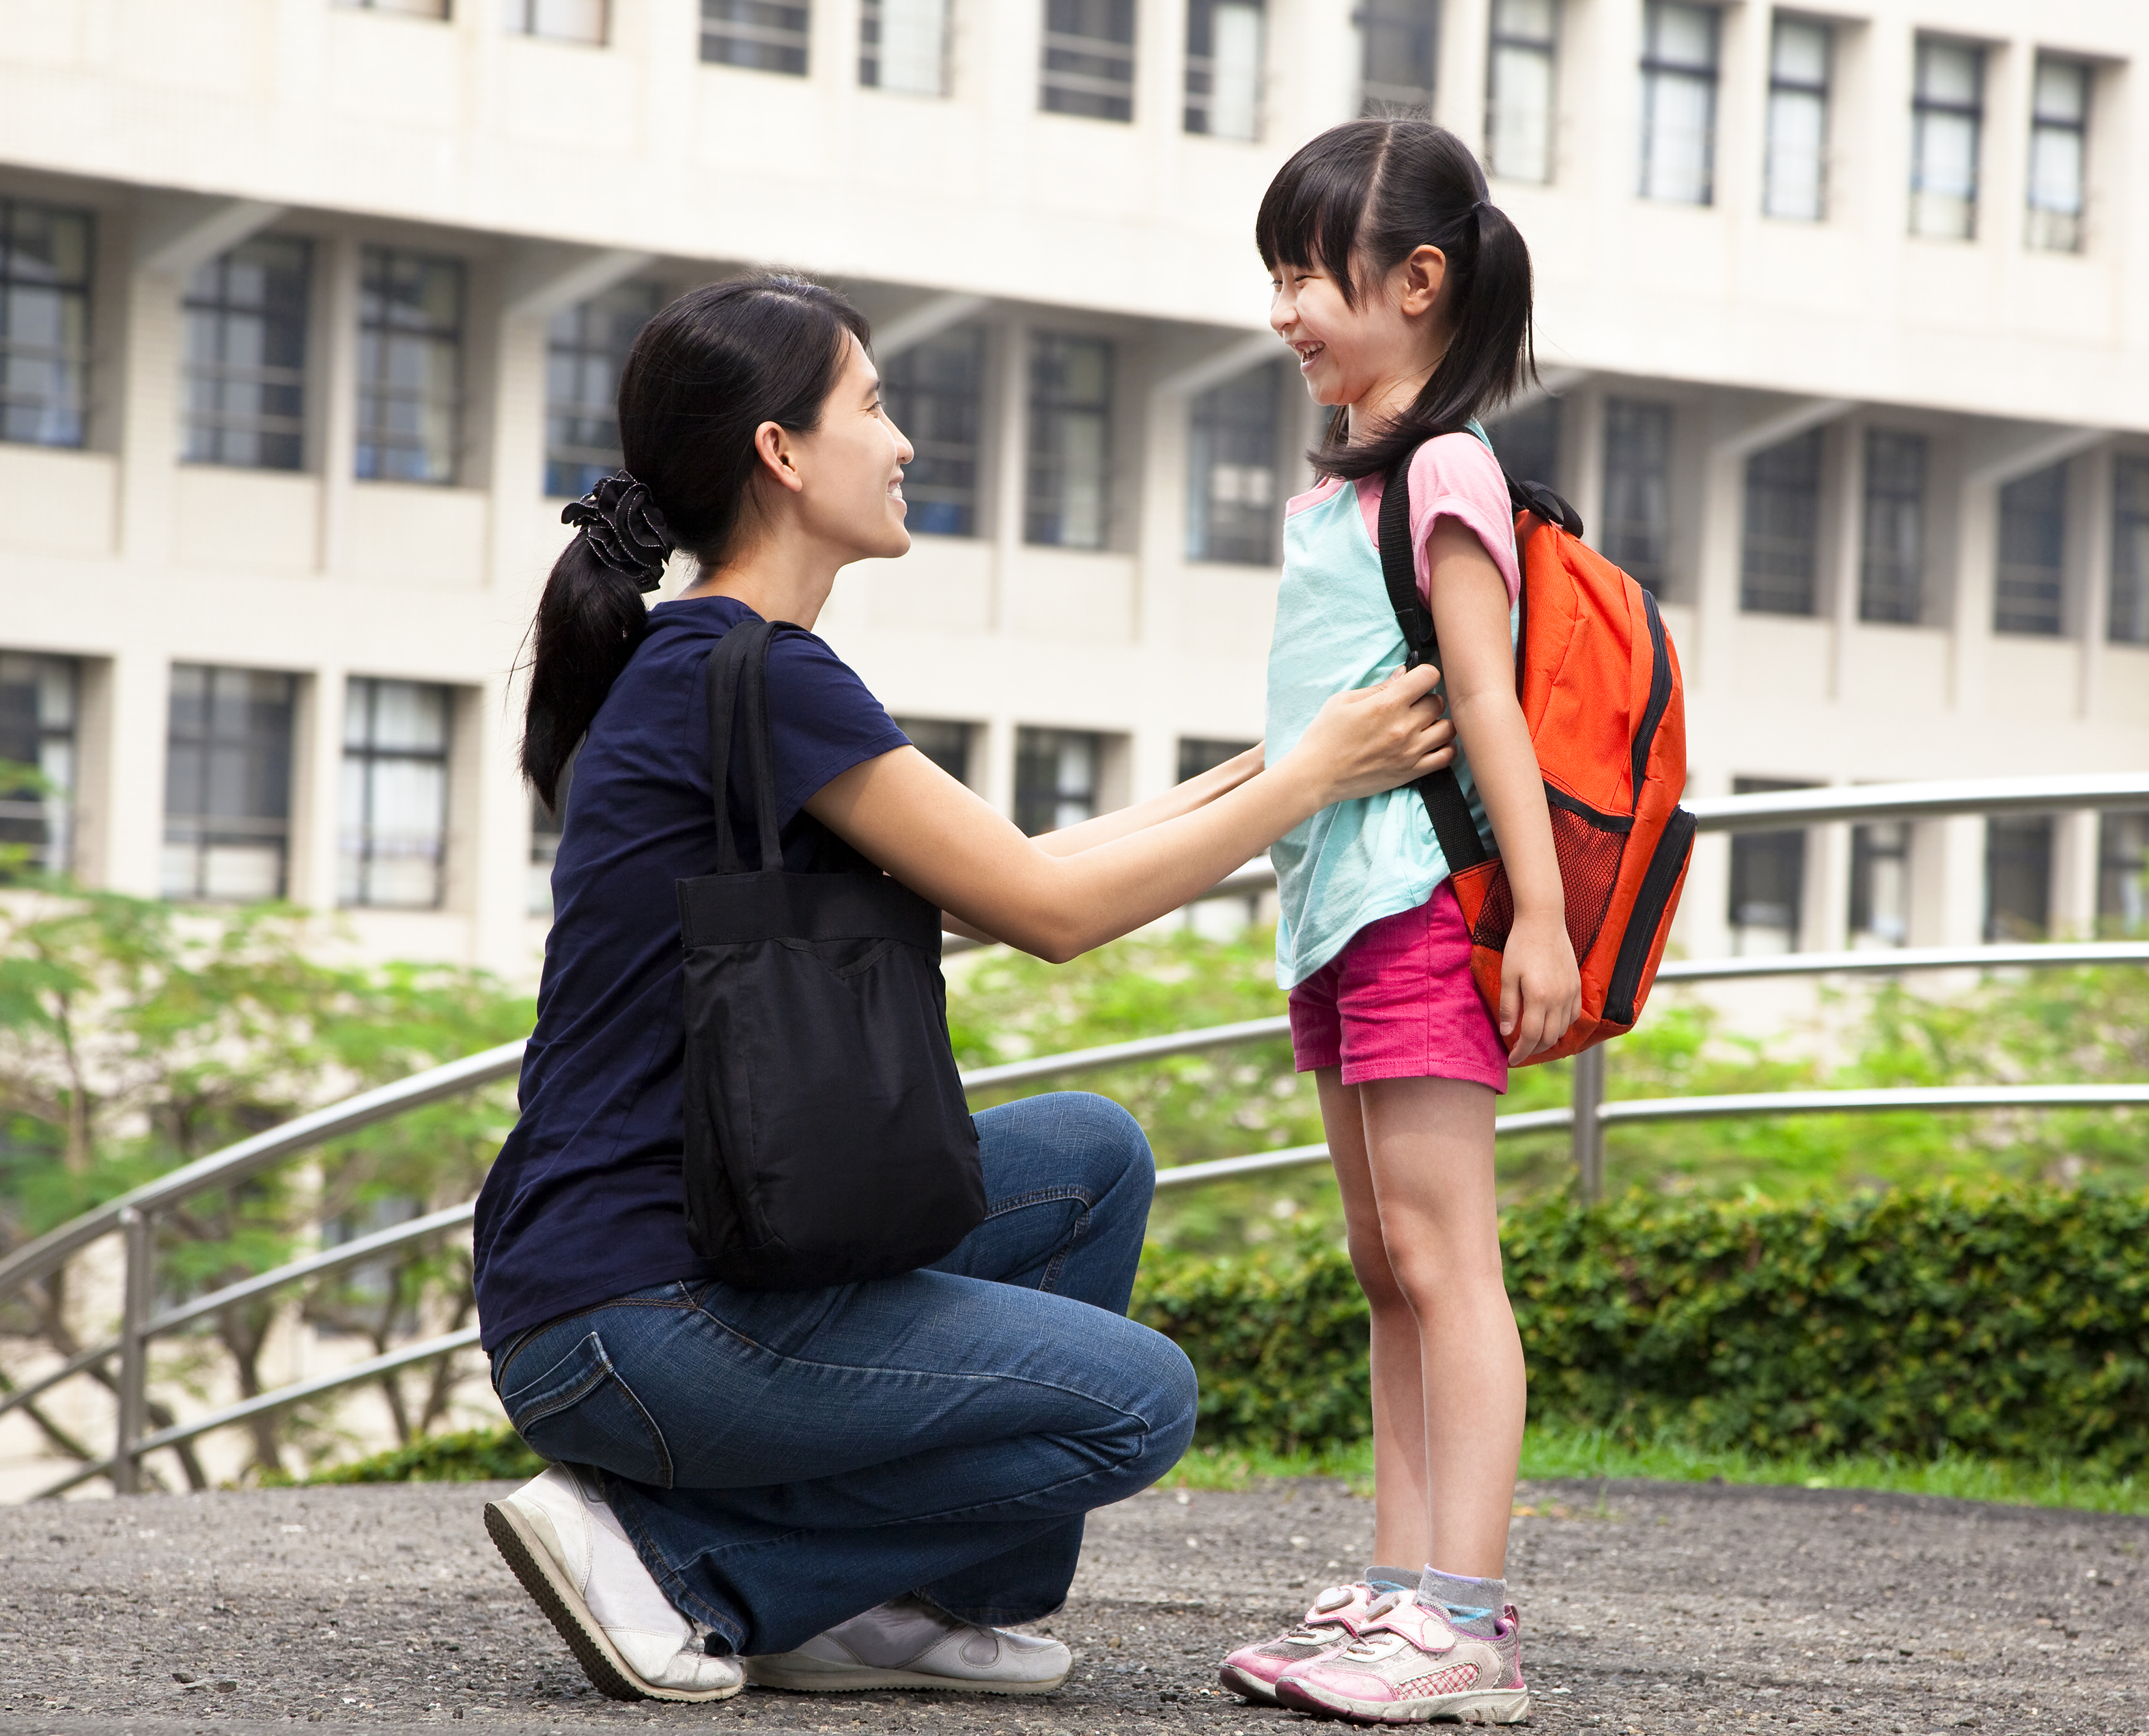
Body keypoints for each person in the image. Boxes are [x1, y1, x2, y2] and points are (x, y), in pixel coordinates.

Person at [472, 272, 1460, 1705]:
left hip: (633, 1282)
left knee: (1084, 1159)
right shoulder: (750, 672)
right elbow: (1050, 913)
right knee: (1138, 1399)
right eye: (870, 406)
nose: (903, 442)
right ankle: (683, 1562)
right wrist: (1316, 774)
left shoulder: (729, 669)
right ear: (780, 452)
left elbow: (1005, 872)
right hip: (636, 1312)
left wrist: (1272, 765)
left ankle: (922, 1600)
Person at [1213, 121, 1579, 1727]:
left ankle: (1465, 1618)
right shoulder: (1339, 483)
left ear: (1415, 281)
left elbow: (1486, 699)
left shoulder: (1442, 467)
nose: (1286, 306)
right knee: (1384, 1259)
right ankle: (1394, 1584)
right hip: (1335, 916)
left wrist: (1541, 919)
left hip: (1423, 911)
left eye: (1309, 272)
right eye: (1275, 273)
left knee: (1445, 1256)